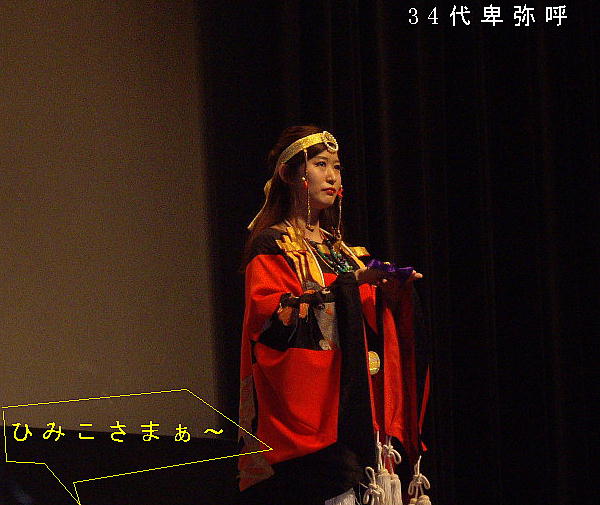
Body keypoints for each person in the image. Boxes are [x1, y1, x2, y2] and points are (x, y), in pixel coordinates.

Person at [237, 125, 425, 505]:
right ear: (290, 174)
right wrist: (351, 285)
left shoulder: (345, 251)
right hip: (313, 411)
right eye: (320, 164)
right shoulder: (273, 244)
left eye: (336, 167)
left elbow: (365, 320)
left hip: (358, 403)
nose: (332, 176)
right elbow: (271, 318)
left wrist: (392, 294)